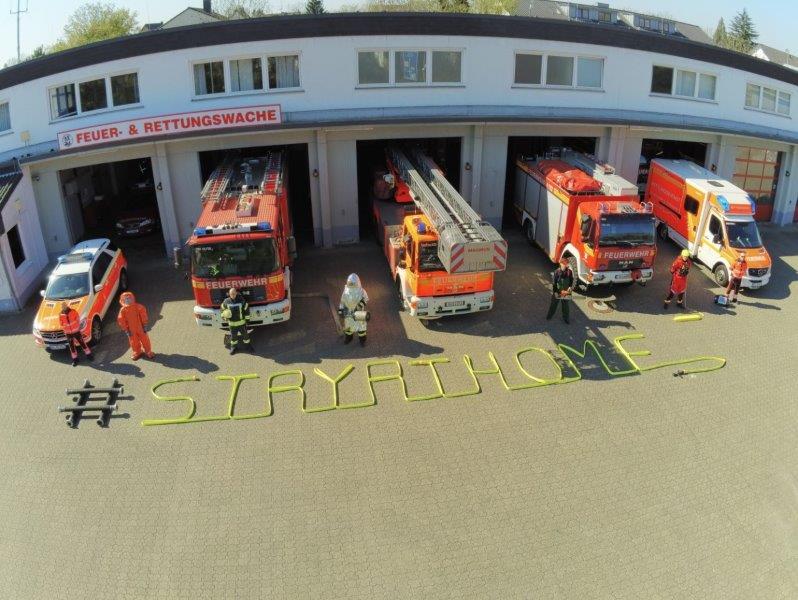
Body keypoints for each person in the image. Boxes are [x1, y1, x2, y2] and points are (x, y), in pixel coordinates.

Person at [117, 291, 154, 361]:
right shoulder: (123, 310)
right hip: (131, 329)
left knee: (145, 340)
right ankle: (137, 352)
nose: (128, 300)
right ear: (122, 300)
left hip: (140, 327)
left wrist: (145, 325)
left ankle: (148, 351)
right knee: (133, 341)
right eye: (126, 299)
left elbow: (143, 315)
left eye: (129, 298)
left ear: (132, 298)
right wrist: (126, 330)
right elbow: (121, 320)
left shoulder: (138, 307)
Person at [339, 273, 369, 346]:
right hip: (349, 312)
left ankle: (362, 340)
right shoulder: (346, 291)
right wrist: (341, 309)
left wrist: (360, 305)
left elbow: (366, 298)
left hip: (359, 312)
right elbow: (342, 301)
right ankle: (349, 338)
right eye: (350, 283)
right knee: (348, 327)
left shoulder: (361, 291)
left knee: (361, 328)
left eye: (353, 283)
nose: (352, 285)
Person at [221, 287, 253, 355]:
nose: (233, 295)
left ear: (236, 293)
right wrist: (223, 317)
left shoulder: (241, 300)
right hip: (232, 324)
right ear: (229, 294)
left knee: (245, 336)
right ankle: (233, 347)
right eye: (231, 294)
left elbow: (246, 309)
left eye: (234, 293)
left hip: (241, 323)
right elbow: (222, 309)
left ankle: (248, 346)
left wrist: (247, 319)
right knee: (233, 337)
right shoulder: (226, 301)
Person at [59, 302, 93, 367]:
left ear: (66, 306)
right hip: (68, 333)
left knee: (82, 343)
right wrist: (65, 330)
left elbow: (78, 319)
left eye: (64, 306)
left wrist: (76, 327)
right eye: (62, 306)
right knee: (71, 346)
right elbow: (61, 323)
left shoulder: (73, 312)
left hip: (76, 331)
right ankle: (75, 360)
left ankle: (89, 355)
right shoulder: (61, 315)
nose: (63, 307)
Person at [546, 257, 574, 324]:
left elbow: (571, 281)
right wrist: (559, 292)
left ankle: (566, 318)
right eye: (564, 264)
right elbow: (554, 284)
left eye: (566, 264)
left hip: (566, 291)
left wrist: (570, 287)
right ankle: (549, 316)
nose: (565, 265)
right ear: (560, 264)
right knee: (553, 304)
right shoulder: (556, 272)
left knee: (566, 306)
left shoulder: (569, 272)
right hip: (558, 291)